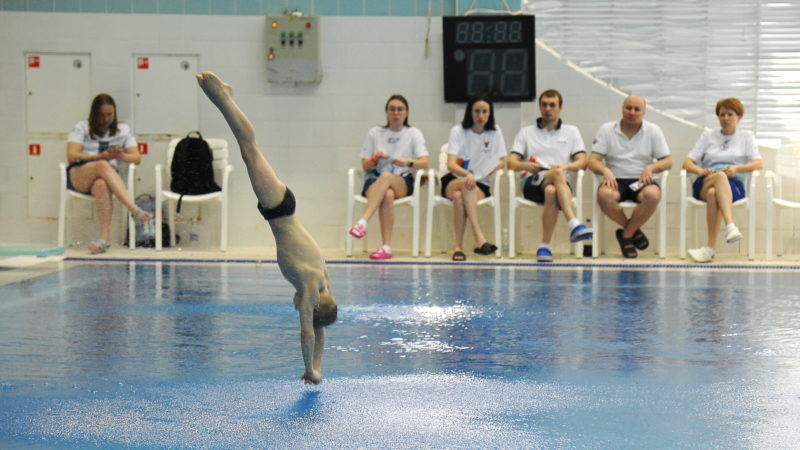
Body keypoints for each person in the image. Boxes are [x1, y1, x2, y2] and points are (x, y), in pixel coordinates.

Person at [196, 71, 337, 384]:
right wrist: (310, 368)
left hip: (282, 208)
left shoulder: (323, 284)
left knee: (251, 150)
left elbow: (318, 331)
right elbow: (307, 333)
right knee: (249, 149)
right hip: (278, 208)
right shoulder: (311, 288)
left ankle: (225, 99)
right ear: (311, 304)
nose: (299, 308)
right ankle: (224, 98)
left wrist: (317, 367)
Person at [508, 89, 593, 262]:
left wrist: (565, 166)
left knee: (551, 191)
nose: (548, 109)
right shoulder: (526, 133)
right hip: (532, 182)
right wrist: (526, 165)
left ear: (560, 108)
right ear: (540, 107)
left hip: (560, 183)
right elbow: (511, 163)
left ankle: (544, 247)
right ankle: (574, 224)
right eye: (544, 105)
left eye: (552, 105)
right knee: (554, 176)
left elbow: (582, 161)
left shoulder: (571, 132)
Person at [588, 94, 672, 258]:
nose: (632, 112)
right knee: (604, 195)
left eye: (637, 109)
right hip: (615, 179)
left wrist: (652, 167)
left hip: (642, 180)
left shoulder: (653, 130)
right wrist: (605, 170)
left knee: (653, 195)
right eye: (628, 108)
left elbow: (668, 162)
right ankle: (633, 231)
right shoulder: (607, 129)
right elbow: (592, 161)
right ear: (622, 109)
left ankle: (626, 236)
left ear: (643, 112)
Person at [66, 94, 152, 254]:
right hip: (80, 174)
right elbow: (71, 155)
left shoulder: (122, 130)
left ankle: (103, 240)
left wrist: (120, 155)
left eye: (109, 115)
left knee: (101, 185)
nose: (106, 119)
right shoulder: (81, 127)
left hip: (105, 177)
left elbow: (136, 158)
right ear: (94, 115)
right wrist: (99, 156)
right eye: (101, 115)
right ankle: (134, 209)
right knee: (102, 165)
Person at [347, 95, 429, 260]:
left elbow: (425, 163)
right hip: (374, 180)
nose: (396, 113)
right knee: (387, 194)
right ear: (386, 112)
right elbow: (364, 165)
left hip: (402, 180)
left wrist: (408, 161)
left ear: (406, 113)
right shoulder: (375, 133)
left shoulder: (413, 133)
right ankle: (386, 247)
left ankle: (363, 222)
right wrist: (374, 159)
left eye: (400, 109)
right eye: (392, 109)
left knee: (386, 176)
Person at [683, 98, 763, 263]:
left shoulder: (746, 136)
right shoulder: (708, 136)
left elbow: (759, 163)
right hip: (706, 181)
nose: (725, 118)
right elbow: (686, 163)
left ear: (739, 116)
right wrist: (700, 170)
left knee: (714, 194)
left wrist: (736, 169)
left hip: (733, 185)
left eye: (730, 114)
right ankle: (730, 225)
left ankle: (709, 249)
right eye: (721, 115)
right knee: (718, 177)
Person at [442, 94, 506, 261]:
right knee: (463, 185)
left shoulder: (495, 132)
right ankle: (479, 239)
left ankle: (458, 247)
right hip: (454, 180)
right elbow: (451, 164)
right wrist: (468, 175)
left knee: (459, 197)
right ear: (470, 113)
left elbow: (501, 161)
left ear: (490, 113)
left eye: (484, 111)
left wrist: (486, 170)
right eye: (477, 111)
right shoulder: (458, 131)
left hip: (479, 184)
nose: (480, 116)